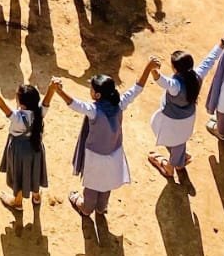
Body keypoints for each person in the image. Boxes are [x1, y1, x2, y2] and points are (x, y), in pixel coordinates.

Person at [47, 61, 154, 219]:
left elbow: (74, 104)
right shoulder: (120, 103)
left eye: (91, 88)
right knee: (106, 185)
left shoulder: (94, 111)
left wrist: (58, 91)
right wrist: (148, 66)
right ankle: (101, 208)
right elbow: (138, 87)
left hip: (95, 158)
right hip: (115, 154)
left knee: (91, 188)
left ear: (97, 95)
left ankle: (85, 208)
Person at [146, 46, 221, 179]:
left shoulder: (176, 85)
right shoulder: (197, 76)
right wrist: (223, 42)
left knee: (171, 139)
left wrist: (152, 69)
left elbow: (161, 81)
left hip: (171, 121)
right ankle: (180, 158)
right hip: (187, 120)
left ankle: (171, 166)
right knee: (179, 141)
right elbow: (210, 59)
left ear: (175, 69)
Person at [0, 80, 51, 210]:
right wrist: (52, 88)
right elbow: (47, 101)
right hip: (36, 149)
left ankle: (17, 202)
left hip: (20, 152)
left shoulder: (17, 117)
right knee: (35, 171)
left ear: (21, 103)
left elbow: (1, 104)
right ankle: (36, 196)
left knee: (20, 175)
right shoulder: (40, 113)